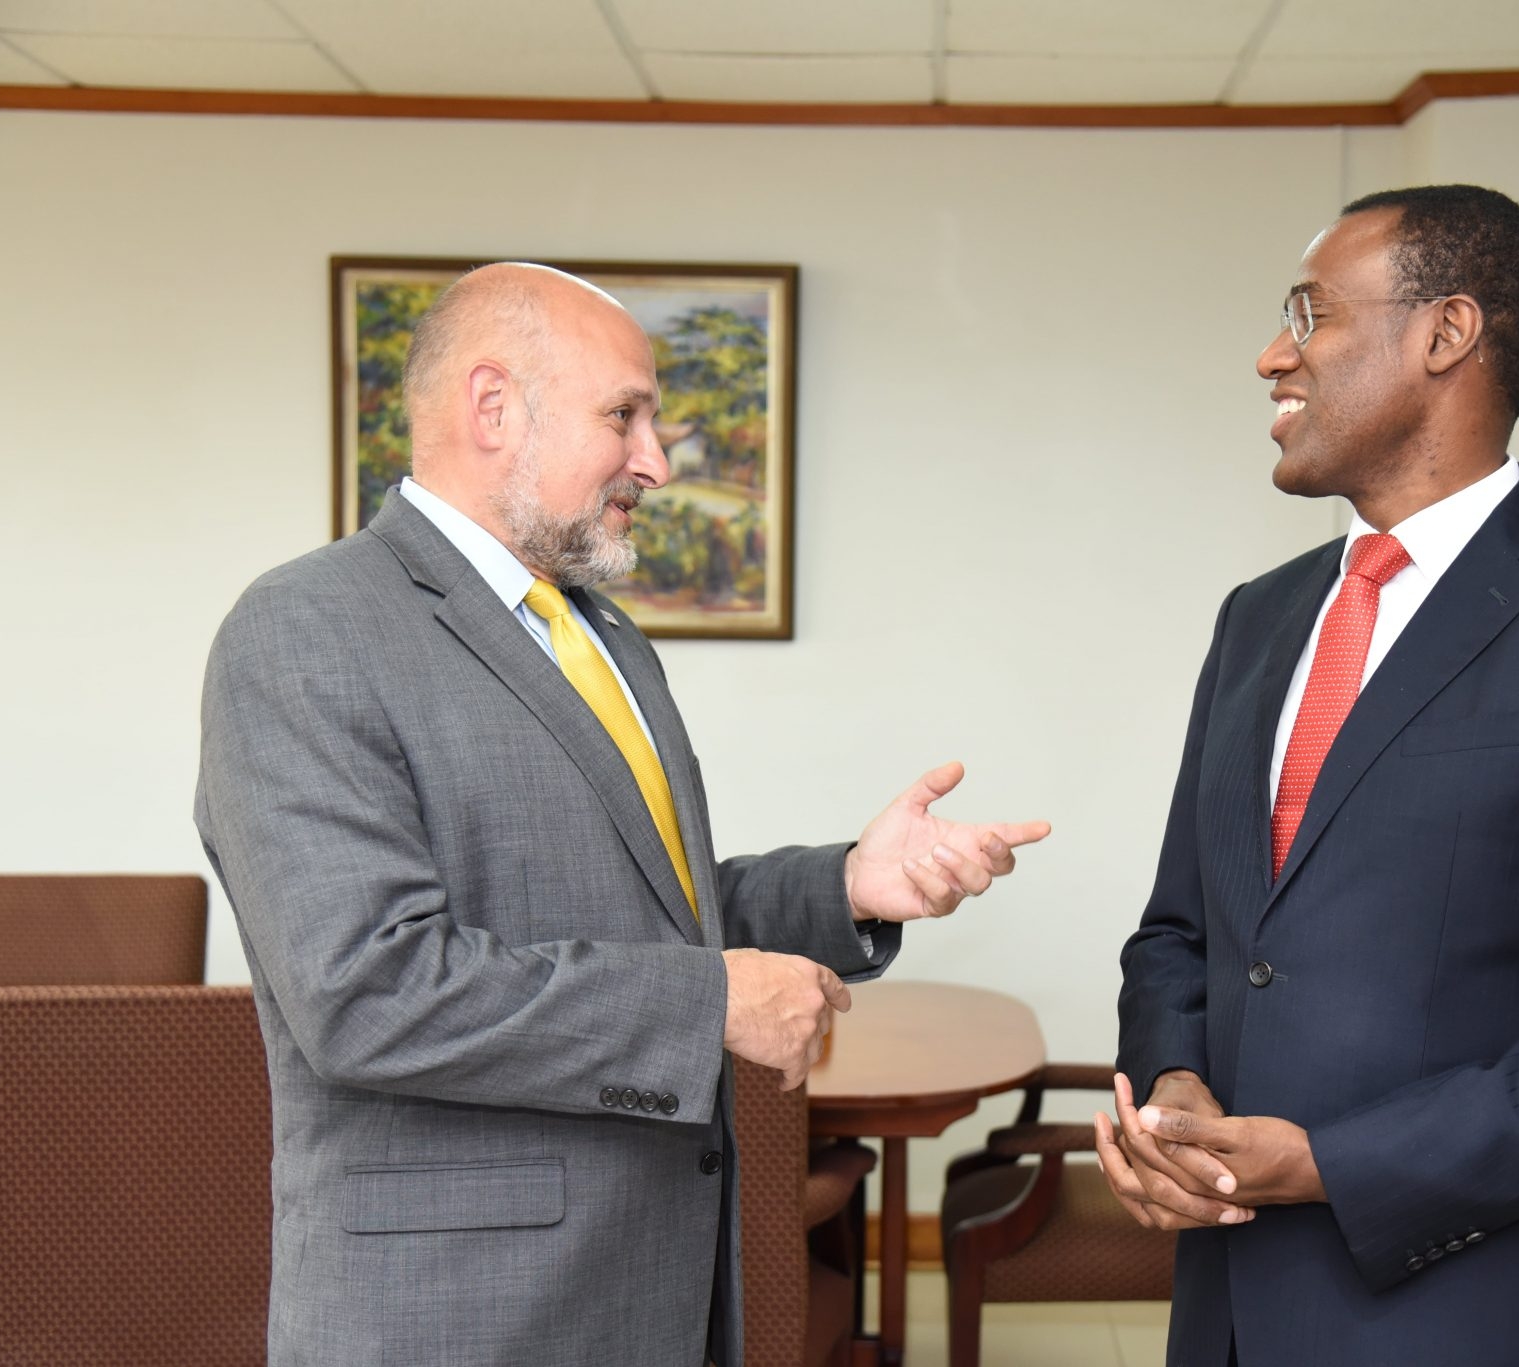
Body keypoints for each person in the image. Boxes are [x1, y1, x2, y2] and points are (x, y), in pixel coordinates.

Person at [195, 263, 1049, 1367]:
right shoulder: (301, 631)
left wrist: (844, 885)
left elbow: (648, 912)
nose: (655, 460)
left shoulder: (602, 635)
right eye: (624, 416)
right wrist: (708, 1006)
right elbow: (366, 990)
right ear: (492, 405)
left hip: (654, 1288)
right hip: (463, 1317)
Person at [1097, 185, 1519, 1365]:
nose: (1272, 355)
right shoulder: (1257, 621)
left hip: (1483, 1312)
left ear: (1444, 334)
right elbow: (1180, 932)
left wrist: (1332, 1166)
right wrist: (1174, 1089)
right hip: (1227, 1309)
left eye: (1307, 313)